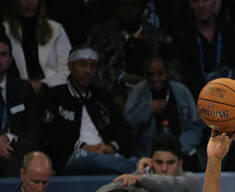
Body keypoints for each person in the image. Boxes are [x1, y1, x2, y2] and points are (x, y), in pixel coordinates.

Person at [42, 45, 136, 175]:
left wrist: (113, 146)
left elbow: (124, 130)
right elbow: (50, 134)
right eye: (83, 65)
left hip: (106, 154)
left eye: (92, 66)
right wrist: (83, 147)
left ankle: (125, 164)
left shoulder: (103, 96)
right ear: (70, 66)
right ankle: (136, 168)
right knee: (82, 158)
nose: (88, 71)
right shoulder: (55, 96)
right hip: (75, 157)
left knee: (113, 160)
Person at [86, 0, 174, 102]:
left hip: (154, 101)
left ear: (143, 7)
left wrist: (151, 80)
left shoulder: (159, 38)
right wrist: (120, 79)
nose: (129, 10)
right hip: (108, 103)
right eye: (124, 5)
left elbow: (174, 74)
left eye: (135, 5)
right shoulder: (99, 36)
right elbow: (88, 72)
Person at [124, 53, 203, 164]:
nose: (155, 79)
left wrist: (177, 148)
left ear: (167, 72)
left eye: (160, 74)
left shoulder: (181, 91)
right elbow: (127, 127)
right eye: (151, 75)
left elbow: (195, 127)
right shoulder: (138, 93)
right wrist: (148, 109)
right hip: (148, 158)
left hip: (181, 154)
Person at [172, 0, 235, 97]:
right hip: (195, 99)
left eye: (205, 0)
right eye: (195, 2)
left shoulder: (228, 31)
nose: (200, 5)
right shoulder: (182, 37)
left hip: (228, 97)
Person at [3, 0, 71, 95]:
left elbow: (68, 67)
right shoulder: (5, 30)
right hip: (16, 92)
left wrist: (43, 85)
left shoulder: (56, 29)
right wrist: (24, 85)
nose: (30, 2)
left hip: (53, 89)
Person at [0, 32, 40, 178]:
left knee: (26, 148)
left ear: (10, 60)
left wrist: (8, 138)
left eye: (3, 55)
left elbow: (35, 128)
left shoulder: (23, 89)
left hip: (15, 149)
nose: (0, 59)